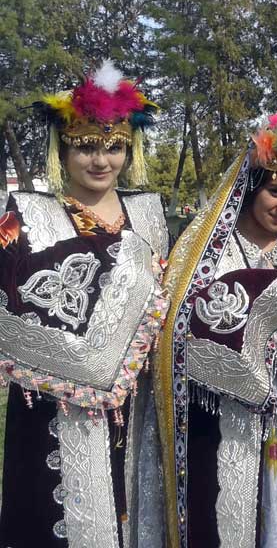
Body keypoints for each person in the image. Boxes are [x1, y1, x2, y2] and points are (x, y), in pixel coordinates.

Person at [0, 60, 168, 547]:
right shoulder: (26, 215)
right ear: (63, 149)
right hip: (52, 409)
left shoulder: (150, 216)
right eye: (86, 146)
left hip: (138, 411)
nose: (101, 161)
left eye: (114, 147)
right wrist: (79, 367)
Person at [156, 111, 277, 548]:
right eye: (276, 191)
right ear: (250, 187)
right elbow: (172, 336)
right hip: (218, 420)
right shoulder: (204, 251)